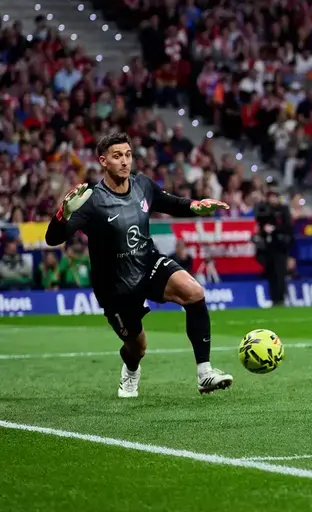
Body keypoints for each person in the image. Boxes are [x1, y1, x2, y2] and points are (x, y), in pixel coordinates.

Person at [44, 131, 232, 398]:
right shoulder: (92, 201)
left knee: (194, 293)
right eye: (117, 156)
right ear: (103, 161)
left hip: (148, 263)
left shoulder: (142, 184)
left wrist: (195, 206)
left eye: (128, 155)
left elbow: (169, 202)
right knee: (138, 348)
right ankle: (131, 370)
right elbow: (52, 238)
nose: (124, 161)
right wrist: (63, 215)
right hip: (116, 287)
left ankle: (205, 373)